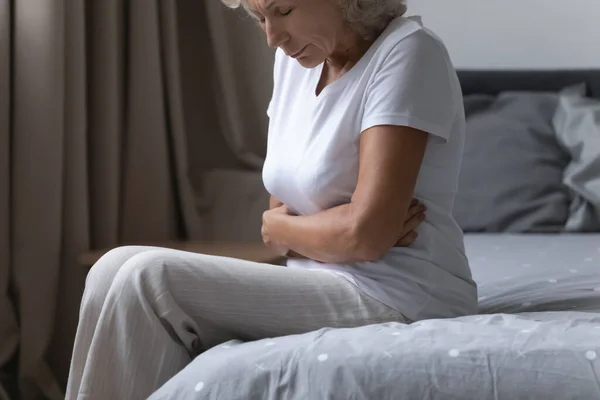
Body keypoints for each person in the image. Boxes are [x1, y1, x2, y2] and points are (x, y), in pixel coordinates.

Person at [65, 0, 477, 398]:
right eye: (261, 18)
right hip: (314, 278)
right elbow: (278, 217)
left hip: (398, 293)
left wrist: (295, 229)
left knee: (147, 278)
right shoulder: (298, 62)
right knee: (110, 268)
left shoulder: (408, 52)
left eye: (284, 11)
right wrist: (300, 228)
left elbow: (362, 236)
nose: (272, 38)